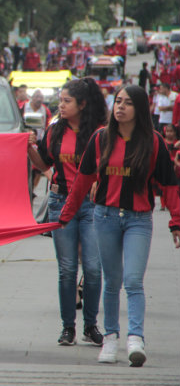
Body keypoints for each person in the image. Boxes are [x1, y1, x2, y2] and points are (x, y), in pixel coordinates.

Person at [58, 85, 180, 367]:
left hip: (139, 219)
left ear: (139, 108)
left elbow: (170, 185)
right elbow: (83, 181)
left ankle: (135, 338)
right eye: (117, 102)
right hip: (104, 217)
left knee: (133, 281)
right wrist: (66, 215)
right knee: (111, 282)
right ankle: (111, 338)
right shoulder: (101, 139)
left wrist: (176, 222)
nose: (120, 107)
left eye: (127, 103)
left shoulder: (154, 141)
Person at [27, 78, 107, 348]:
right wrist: (29, 148)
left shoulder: (100, 133)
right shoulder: (55, 132)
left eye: (66, 101)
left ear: (82, 104)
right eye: (60, 101)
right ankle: (68, 327)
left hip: (91, 205)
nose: (60, 106)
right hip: (61, 202)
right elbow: (43, 163)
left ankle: (91, 325)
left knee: (94, 269)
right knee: (68, 269)